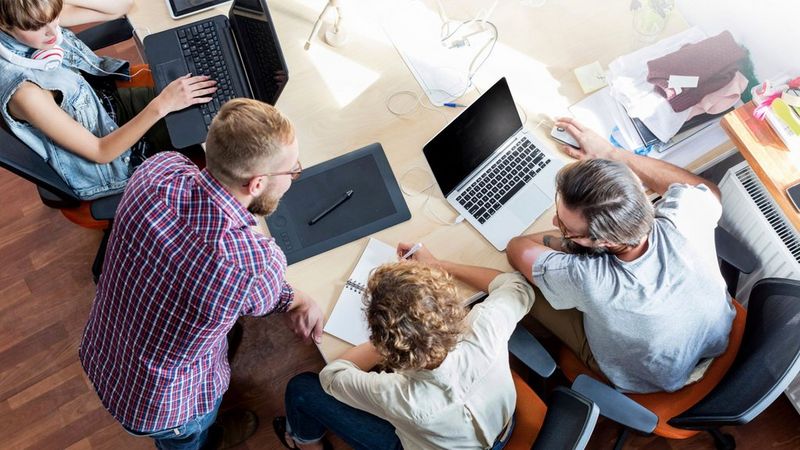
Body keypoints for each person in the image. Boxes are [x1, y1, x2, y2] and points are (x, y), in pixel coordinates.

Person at [79, 99, 325, 450]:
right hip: (164, 405)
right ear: (256, 184)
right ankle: (206, 439)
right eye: (292, 171)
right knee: (191, 437)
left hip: (103, 348)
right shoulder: (251, 264)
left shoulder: (158, 170)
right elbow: (270, 297)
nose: (292, 179)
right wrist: (302, 299)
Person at [506, 117, 735, 394]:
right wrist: (613, 155)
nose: (555, 222)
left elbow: (516, 247)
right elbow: (711, 192)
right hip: (715, 336)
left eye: (566, 226)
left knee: (517, 288)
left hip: (651, 377)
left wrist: (563, 243)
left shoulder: (587, 278)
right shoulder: (686, 212)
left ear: (603, 241)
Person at [276, 247, 536, 450]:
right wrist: (438, 265)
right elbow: (517, 286)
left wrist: (392, 341)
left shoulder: (400, 397)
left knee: (302, 389)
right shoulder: (485, 326)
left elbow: (332, 376)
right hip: (504, 424)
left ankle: (305, 442)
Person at [0, 0, 216, 200]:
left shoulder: (37, 16)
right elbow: (101, 152)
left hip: (108, 109)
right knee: (222, 142)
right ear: (3, 24)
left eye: (53, 17)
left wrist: (52, 4)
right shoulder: (26, 93)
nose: (52, 31)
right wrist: (163, 104)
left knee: (213, 99)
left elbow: (120, 6)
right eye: (37, 26)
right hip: (118, 161)